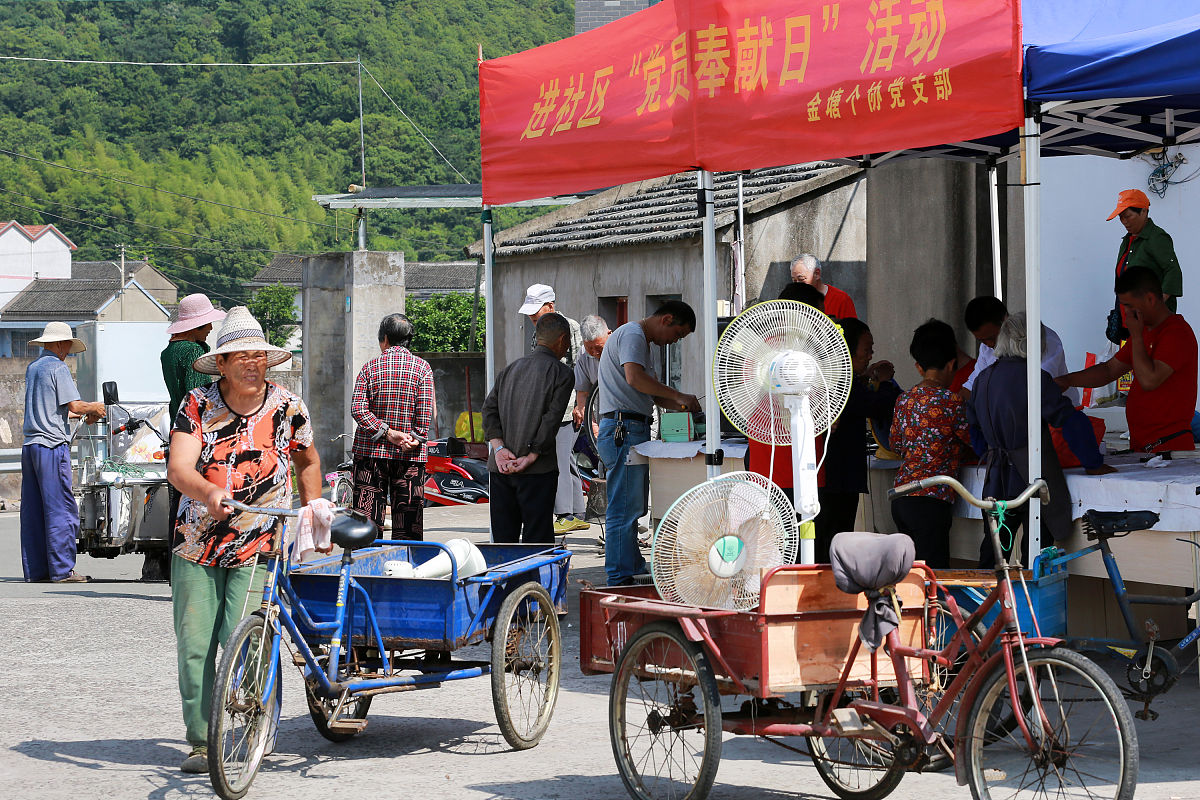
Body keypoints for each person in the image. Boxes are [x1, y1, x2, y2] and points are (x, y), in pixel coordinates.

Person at [166, 307, 322, 774]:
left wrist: (313, 512)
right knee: (195, 645)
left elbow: (309, 461)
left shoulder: (288, 408)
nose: (253, 363)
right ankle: (200, 740)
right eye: (242, 357)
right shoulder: (197, 404)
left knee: (251, 639)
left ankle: (254, 724)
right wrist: (209, 492)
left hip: (261, 541)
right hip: (197, 540)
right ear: (224, 363)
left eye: (259, 356)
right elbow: (179, 468)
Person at [968, 313, 1116, 567]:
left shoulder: (982, 379)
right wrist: (1093, 462)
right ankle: (1031, 606)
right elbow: (1070, 421)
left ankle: (988, 605)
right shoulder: (1033, 377)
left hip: (997, 480)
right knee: (1036, 554)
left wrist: (991, 452)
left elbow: (974, 428)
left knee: (993, 554)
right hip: (1033, 476)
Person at [597, 300, 700, 585]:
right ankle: (619, 574)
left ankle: (630, 564)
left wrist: (683, 403)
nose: (673, 342)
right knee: (624, 507)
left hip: (631, 427)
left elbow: (652, 393)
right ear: (666, 319)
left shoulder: (641, 341)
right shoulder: (633, 334)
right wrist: (678, 397)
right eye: (678, 335)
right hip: (623, 428)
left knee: (633, 505)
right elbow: (635, 378)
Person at [1058, 267, 1198, 454]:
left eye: (1129, 306)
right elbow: (1109, 370)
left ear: (1150, 299)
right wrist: (1067, 380)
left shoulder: (1176, 332)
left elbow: (1150, 380)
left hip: (1168, 448)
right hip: (1144, 445)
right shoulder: (1144, 332)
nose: (1125, 313)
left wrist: (1136, 335)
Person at [20, 322, 106, 583]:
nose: (68, 350)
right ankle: (62, 570)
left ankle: (37, 570)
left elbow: (54, 410)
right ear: (59, 344)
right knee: (60, 509)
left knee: (34, 510)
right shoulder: (58, 367)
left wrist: (83, 412)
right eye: (67, 345)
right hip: (51, 446)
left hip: (31, 445)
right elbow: (75, 405)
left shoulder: (33, 368)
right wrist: (96, 407)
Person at [483, 313, 575, 544]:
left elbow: (488, 410)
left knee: (504, 541)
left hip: (501, 469)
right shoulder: (562, 373)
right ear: (563, 339)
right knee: (537, 541)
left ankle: (507, 581)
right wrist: (531, 455)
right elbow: (551, 420)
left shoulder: (510, 369)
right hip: (537, 471)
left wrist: (499, 449)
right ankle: (534, 582)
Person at [814, 318, 901, 562]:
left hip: (839, 476)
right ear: (848, 349)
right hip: (837, 477)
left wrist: (869, 377)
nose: (870, 354)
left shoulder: (847, 379)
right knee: (834, 541)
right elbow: (877, 406)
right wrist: (884, 383)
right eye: (867, 349)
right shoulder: (842, 381)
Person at [889, 319, 973, 568]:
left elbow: (896, 445)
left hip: (901, 497)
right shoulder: (952, 401)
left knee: (910, 571)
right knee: (932, 573)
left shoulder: (904, 400)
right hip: (931, 499)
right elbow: (972, 440)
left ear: (917, 366)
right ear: (951, 364)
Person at [157, 293, 226, 581]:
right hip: (196, 433)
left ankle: (175, 567)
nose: (209, 329)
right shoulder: (193, 353)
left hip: (176, 429)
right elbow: (201, 399)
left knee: (178, 502)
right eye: (205, 324)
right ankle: (197, 566)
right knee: (198, 501)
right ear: (194, 326)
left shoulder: (168, 353)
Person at [350, 313, 434, 539]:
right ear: (408, 340)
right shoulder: (423, 369)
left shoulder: (369, 368)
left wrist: (387, 433)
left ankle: (366, 571)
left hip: (370, 456)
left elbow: (358, 409)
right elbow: (425, 414)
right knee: (408, 527)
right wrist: (413, 438)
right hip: (410, 457)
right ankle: (405, 569)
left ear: (384, 339)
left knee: (366, 526)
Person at [517, 283, 587, 534]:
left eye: (537, 312)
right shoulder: (538, 331)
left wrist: (581, 406)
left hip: (567, 407)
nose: (533, 317)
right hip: (548, 405)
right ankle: (578, 512)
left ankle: (565, 514)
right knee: (566, 458)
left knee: (557, 459)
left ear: (551, 305)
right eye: (531, 314)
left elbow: (582, 367)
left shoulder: (571, 327)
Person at [961, 296, 1078, 405]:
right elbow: (972, 387)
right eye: (982, 340)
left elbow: (1039, 389)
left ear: (1005, 319)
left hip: (1054, 419)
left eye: (992, 338)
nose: (990, 344)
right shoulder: (986, 348)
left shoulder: (1044, 340)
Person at [1108, 189, 1182, 327]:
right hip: (1130, 323)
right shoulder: (1127, 241)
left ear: (1143, 211)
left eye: (1128, 216)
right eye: (1120, 217)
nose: (1124, 221)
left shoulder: (1156, 237)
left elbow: (1173, 272)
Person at [790, 253, 857, 318]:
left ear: (817, 274)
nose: (797, 285)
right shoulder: (792, 302)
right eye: (794, 280)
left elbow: (852, 328)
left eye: (801, 279)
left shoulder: (841, 300)